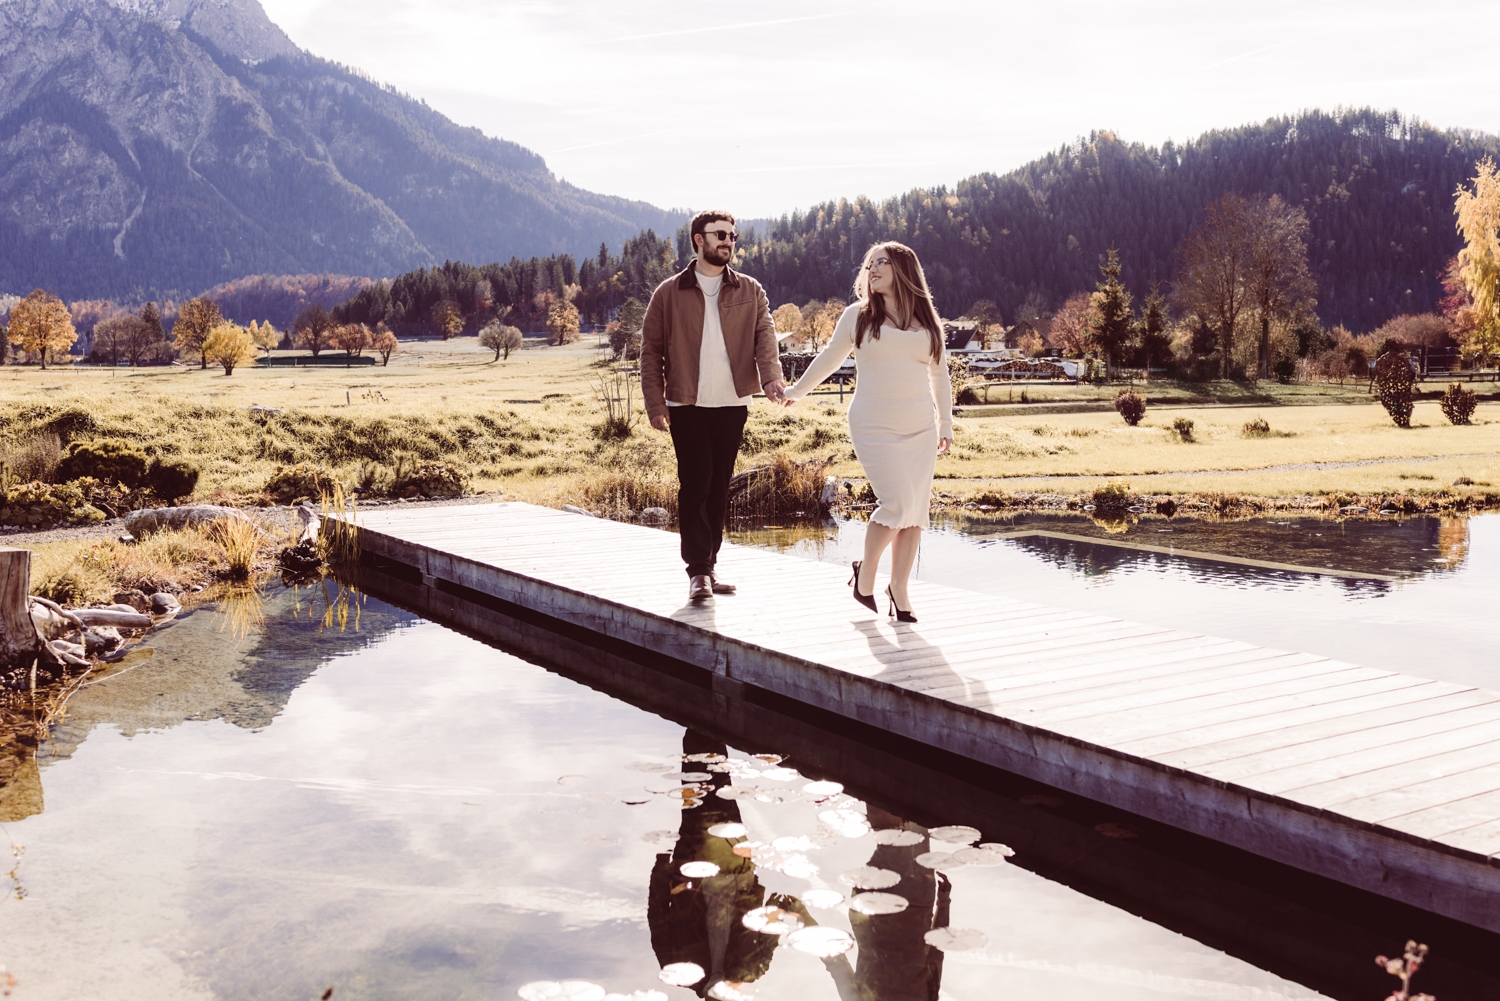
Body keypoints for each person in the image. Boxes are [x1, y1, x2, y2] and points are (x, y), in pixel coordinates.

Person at [783, 242, 953, 622]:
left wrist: (945, 423)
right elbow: (829, 357)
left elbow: (939, 375)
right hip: (874, 425)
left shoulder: (928, 322)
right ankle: (867, 573)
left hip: (921, 428)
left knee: (914, 513)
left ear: (903, 270)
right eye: (869, 264)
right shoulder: (857, 317)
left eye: (881, 263)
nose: (871, 269)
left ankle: (900, 590)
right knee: (895, 504)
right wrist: (797, 391)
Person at [641, 210, 786, 602]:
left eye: (733, 236)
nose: (728, 241)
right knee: (696, 484)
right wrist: (655, 402)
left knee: (719, 487)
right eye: (720, 234)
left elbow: (765, 335)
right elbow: (651, 352)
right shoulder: (668, 293)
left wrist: (771, 377)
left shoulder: (750, 290)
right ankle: (698, 571)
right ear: (698, 240)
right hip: (686, 403)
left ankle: (710, 565)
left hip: (733, 402)